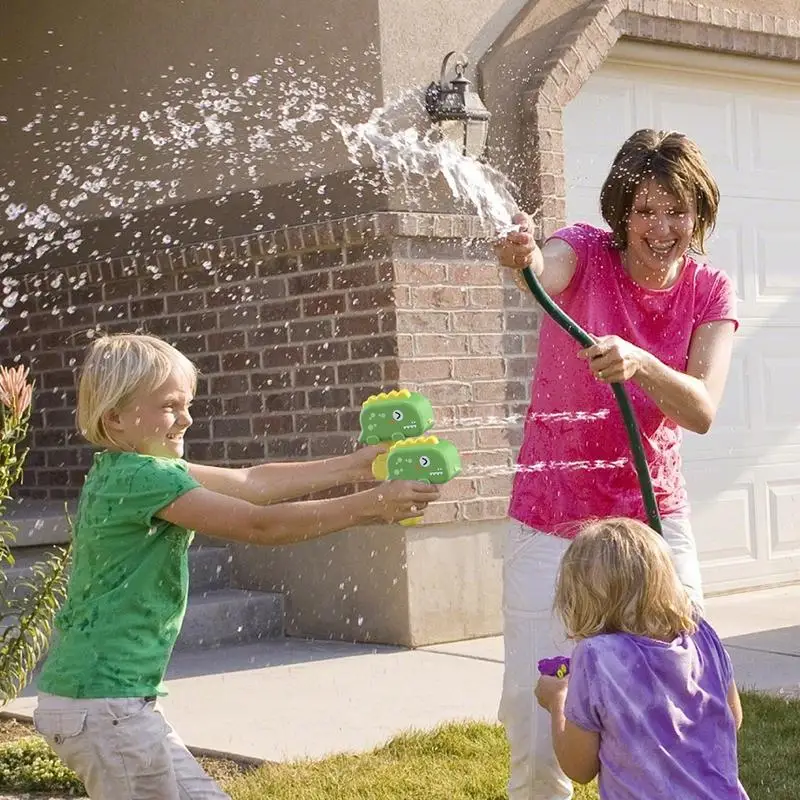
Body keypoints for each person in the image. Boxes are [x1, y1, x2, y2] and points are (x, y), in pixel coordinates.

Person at [32, 332, 440, 800]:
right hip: (106, 706)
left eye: (187, 405)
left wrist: (358, 467)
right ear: (116, 418)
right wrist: (371, 505)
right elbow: (259, 525)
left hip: (105, 702)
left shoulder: (124, 467)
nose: (185, 419)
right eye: (169, 406)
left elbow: (251, 483)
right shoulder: (144, 476)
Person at [494, 128, 738, 799]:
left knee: (688, 678)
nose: (661, 229)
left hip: (651, 521)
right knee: (534, 697)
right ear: (620, 215)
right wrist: (522, 258)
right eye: (645, 211)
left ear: (699, 213)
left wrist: (643, 362)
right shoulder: (583, 250)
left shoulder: (710, 289)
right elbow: (543, 269)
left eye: (677, 211)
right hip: (550, 518)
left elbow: (701, 408)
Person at [534, 517, 748, 799]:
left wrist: (558, 699)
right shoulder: (701, 633)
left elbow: (579, 768)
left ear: (578, 598)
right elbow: (733, 718)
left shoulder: (595, 658)